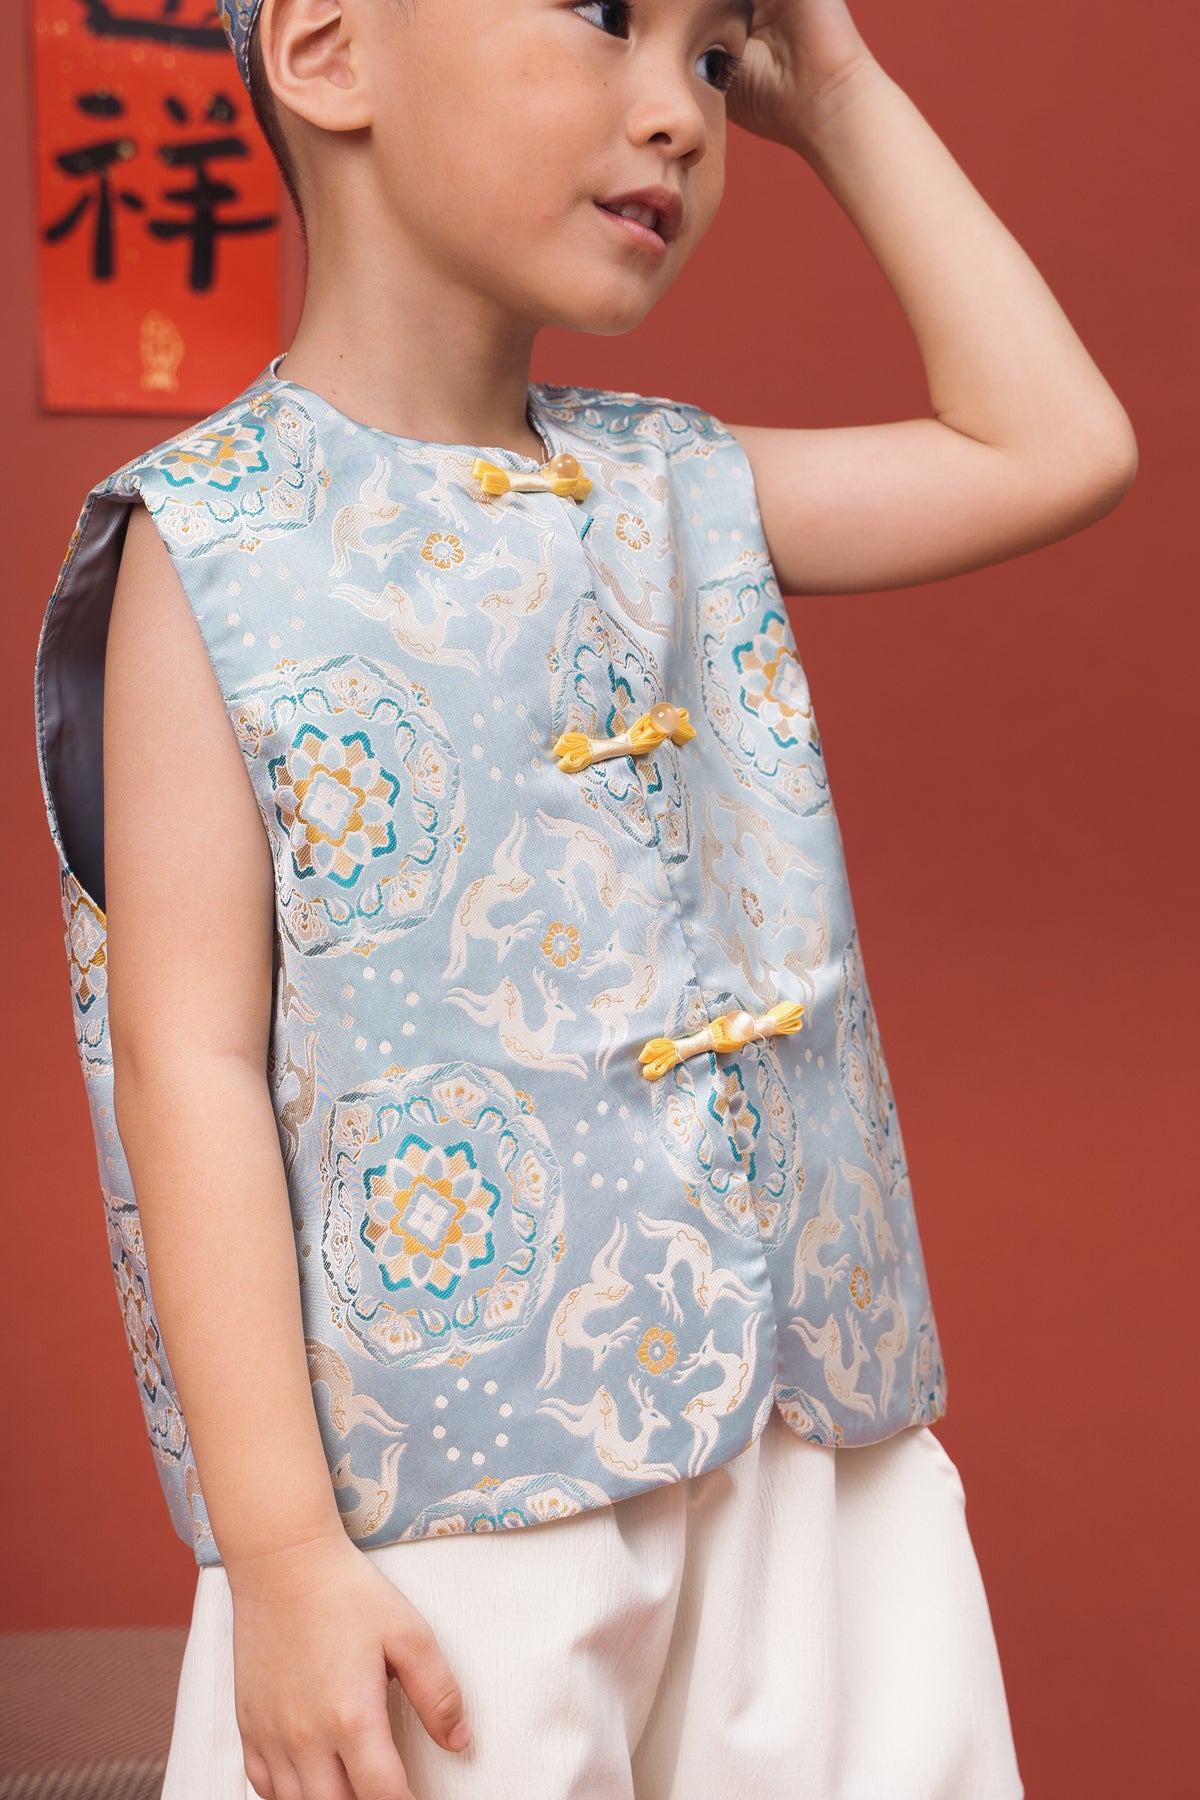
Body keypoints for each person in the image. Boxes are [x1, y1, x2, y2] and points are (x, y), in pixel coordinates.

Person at [31, 1, 1136, 1796]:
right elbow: (189, 1064)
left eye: (711, 53)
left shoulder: (683, 482)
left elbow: (1056, 443)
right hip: (445, 1507)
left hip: (812, 1470)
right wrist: (286, 1554)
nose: (681, 112)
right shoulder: (211, 545)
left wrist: (839, 92)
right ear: (326, 50)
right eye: (611, 15)